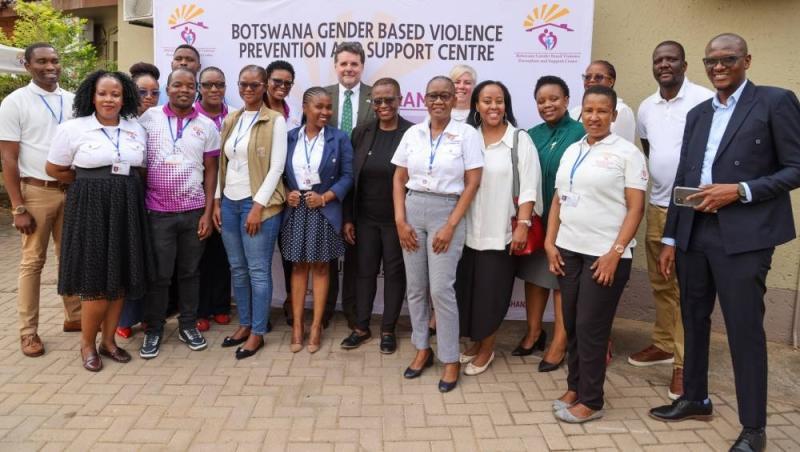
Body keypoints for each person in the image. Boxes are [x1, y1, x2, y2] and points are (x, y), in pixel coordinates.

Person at [650, 33, 800, 452]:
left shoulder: (774, 102)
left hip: (744, 237)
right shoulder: (699, 113)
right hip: (694, 233)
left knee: (743, 330)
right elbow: (685, 174)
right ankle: (695, 398)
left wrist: (741, 191)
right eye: (711, 61)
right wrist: (671, 237)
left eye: (728, 59)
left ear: (746, 60)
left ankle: (754, 429)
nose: (718, 67)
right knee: (693, 318)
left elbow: (796, 167)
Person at [547, 85, 647, 423]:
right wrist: (550, 242)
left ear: (614, 116)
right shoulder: (572, 150)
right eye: (588, 110)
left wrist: (615, 253)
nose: (594, 116)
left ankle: (591, 400)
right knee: (573, 324)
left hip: (603, 257)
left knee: (591, 327)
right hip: (569, 251)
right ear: (581, 113)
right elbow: (559, 199)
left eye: (602, 111)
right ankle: (575, 386)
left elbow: (636, 208)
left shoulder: (627, 154)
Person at [45, 70, 148, 371]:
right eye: (103, 93)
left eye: (115, 94)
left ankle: (109, 342)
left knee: (119, 279)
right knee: (96, 281)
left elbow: (140, 167)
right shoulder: (73, 128)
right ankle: (87, 344)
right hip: (91, 208)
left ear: (124, 98)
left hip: (126, 207)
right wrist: (89, 184)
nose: (109, 99)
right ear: (92, 96)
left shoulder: (135, 128)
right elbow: (55, 169)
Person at [631, 41, 713, 400]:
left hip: (692, 208)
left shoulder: (704, 99)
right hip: (658, 205)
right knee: (661, 282)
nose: (664, 65)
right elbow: (651, 151)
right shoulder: (646, 107)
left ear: (684, 64)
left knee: (685, 289)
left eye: (671, 59)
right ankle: (664, 344)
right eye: (658, 60)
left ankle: (684, 365)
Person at [392, 76, 483, 392]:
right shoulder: (413, 133)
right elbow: (399, 178)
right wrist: (400, 220)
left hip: (447, 210)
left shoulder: (467, 134)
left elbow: (473, 182)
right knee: (416, 287)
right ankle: (422, 349)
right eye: (433, 96)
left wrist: (451, 224)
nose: (439, 101)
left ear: (454, 99)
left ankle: (450, 358)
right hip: (413, 209)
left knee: (441, 290)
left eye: (445, 95)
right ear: (424, 100)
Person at [0, 42, 82, 357]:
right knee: (33, 262)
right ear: (27, 65)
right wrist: (17, 206)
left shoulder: (73, 100)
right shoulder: (15, 102)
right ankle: (28, 332)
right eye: (42, 61)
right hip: (36, 192)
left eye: (55, 60)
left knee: (70, 257)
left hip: (71, 191)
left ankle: (74, 316)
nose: (50, 67)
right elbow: (8, 159)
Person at [457, 80, 541, 376]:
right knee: (468, 292)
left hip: (501, 232)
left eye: (499, 100)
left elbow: (529, 187)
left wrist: (523, 226)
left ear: (506, 105)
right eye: (487, 101)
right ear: (476, 106)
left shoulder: (519, 140)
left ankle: (487, 349)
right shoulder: (467, 137)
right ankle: (476, 342)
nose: (493, 106)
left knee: (491, 296)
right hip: (466, 232)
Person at [138, 68, 220, 359]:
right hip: (157, 213)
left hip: (193, 212)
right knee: (159, 276)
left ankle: (188, 325)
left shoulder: (207, 126)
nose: (183, 90)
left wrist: (207, 213)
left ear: (196, 89)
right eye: (177, 85)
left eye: (189, 85)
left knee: (190, 273)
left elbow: (211, 172)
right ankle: (154, 329)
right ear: (168, 88)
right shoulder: (149, 119)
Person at [214, 65, 287, 360]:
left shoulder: (275, 121)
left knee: (258, 271)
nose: (248, 89)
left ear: (265, 86)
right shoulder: (232, 118)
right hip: (229, 202)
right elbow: (223, 163)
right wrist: (217, 201)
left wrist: (258, 206)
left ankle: (258, 331)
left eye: (254, 85)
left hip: (258, 205)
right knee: (238, 269)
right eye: (243, 84)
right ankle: (244, 324)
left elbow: (277, 168)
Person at [515, 76, 585, 372]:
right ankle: (534, 333)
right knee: (534, 277)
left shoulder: (581, 132)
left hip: (568, 221)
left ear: (567, 100)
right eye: (541, 101)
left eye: (554, 99)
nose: (547, 105)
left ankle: (559, 342)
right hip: (536, 221)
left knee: (561, 281)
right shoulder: (531, 135)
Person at [339, 78, 412, 354]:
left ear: (400, 99)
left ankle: (388, 330)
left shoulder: (412, 133)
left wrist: (404, 221)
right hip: (365, 219)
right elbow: (351, 177)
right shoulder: (361, 133)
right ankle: (361, 327)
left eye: (389, 100)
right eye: (377, 100)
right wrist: (348, 218)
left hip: (397, 220)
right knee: (364, 273)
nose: (383, 105)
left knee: (394, 274)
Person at [281, 87, 353, 354]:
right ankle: (297, 326)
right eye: (319, 107)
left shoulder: (339, 138)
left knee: (322, 268)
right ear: (305, 107)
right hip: (296, 210)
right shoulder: (289, 137)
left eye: (328, 107)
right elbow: (278, 172)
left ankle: (315, 326)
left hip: (324, 210)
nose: (325, 112)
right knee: (298, 268)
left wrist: (325, 198)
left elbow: (348, 176)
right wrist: (286, 193)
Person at [322, 41, 375, 329]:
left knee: (357, 254)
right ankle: (325, 309)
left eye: (354, 64)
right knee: (326, 252)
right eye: (343, 63)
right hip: (328, 187)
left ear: (362, 66)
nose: (349, 69)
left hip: (363, 187)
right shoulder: (323, 96)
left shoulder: (374, 96)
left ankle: (354, 312)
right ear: (335, 66)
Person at [116, 62, 163, 339]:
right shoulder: (121, 122)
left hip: (155, 200)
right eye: (142, 91)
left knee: (151, 260)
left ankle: (149, 316)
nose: (149, 97)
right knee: (128, 258)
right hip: (127, 198)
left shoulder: (160, 120)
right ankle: (124, 319)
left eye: (154, 92)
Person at [195, 66, 232, 332]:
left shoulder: (235, 115)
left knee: (222, 252)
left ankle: (220, 306)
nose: (214, 89)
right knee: (199, 255)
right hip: (197, 191)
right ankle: (200, 309)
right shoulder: (190, 115)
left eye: (219, 84)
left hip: (230, 192)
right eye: (208, 85)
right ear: (200, 88)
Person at [569, 60, 636, 143]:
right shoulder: (575, 111)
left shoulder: (622, 110)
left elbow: (623, 145)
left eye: (598, 77)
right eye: (587, 77)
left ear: (611, 81)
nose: (591, 80)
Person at [264, 60, 302, 129]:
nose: (282, 86)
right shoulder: (255, 109)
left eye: (287, 83)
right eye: (277, 81)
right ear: (266, 80)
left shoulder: (296, 111)